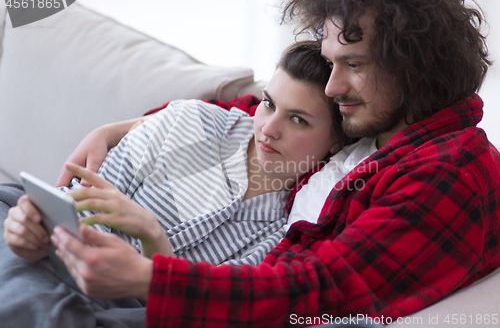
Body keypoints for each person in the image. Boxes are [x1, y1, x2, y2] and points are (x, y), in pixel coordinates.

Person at [43, 0, 500, 327]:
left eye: (354, 65)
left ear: (414, 68)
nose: (334, 87)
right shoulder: (376, 128)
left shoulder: (448, 173)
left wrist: (152, 278)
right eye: (331, 63)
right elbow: (257, 114)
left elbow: (321, 292)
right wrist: (120, 129)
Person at [5, 40, 352, 269]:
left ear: (336, 142)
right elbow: (79, 201)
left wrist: (153, 239)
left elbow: (202, 304)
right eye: (269, 103)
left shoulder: (287, 229)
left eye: (297, 119)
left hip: (115, 304)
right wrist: (33, 227)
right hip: (52, 254)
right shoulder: (192, 121)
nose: (269, 128)